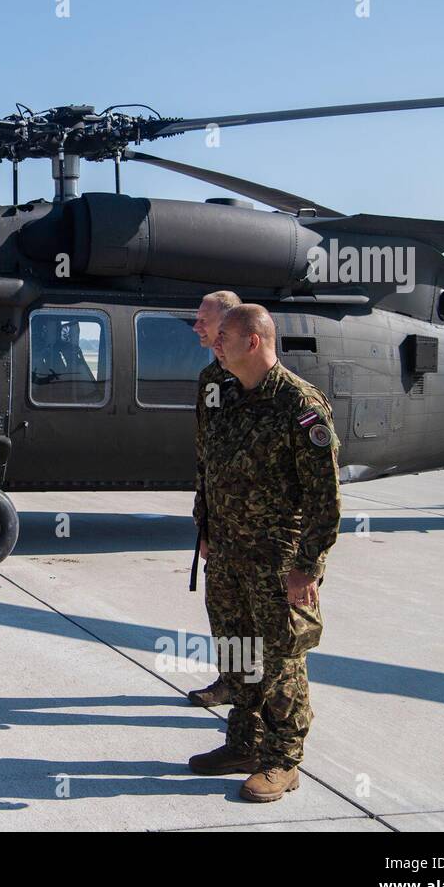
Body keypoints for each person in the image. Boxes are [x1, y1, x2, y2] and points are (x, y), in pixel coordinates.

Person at [187, 304, 341, 802]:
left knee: (280, 663)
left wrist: (307, 567)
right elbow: (209, 467)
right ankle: (242, 744)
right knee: (237, 654)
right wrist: (205, 525)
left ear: (254, 341)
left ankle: (282, 762)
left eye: (225, 335)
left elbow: (325, 498)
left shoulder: (300, 405)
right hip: (229, 556)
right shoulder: (230, 396)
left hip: (277, 564)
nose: (216, 342)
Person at [188, 289, 242, 708]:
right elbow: (206, 452)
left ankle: (255, 700)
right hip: (220, 520)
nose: (196, 327)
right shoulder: (211, 379)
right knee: (221, 607)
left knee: (257, 620)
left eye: (203, 319)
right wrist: (203, 520)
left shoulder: (257, 380)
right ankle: (231, 681)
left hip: (257, 528)